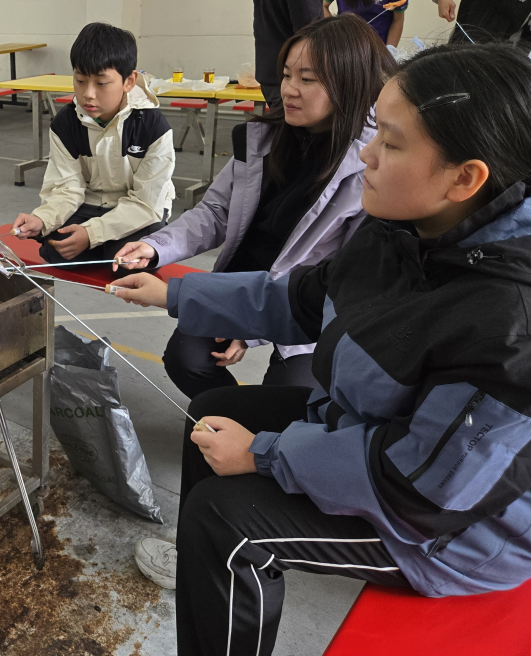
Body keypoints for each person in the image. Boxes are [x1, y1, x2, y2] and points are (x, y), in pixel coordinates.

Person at [117, 42, 531, 656]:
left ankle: (217, 572)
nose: (366, 153)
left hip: (452, 531)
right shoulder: (400, 229)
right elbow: (301, 298)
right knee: (212, 413)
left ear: (464, 178)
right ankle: (200, 573)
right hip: (368, 432)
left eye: (391, 143)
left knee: (225, 521)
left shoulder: (509, 320)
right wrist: (174, 294)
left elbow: (421, 488)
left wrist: (263, 454)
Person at [115, 15, 395, 398]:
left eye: (307, 79)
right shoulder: (263, 138)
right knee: (188, 359)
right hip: (240, 282)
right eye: (286, 75)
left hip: (307, 303)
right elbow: (216, 211)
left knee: (292, 400)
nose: (289, 90)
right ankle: (227, 414)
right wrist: (156, 247)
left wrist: (252, 327)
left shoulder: (367, 166)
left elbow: (337, 283)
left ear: (350, 82)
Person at [11, 22, 175, 267]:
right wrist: (42, 219)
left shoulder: (153, 127)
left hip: (139, 210)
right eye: (80, 80)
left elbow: (146, 203)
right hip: (89, 204)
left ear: (129, 81)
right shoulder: (65, 124)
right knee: (55, 249)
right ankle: (103, 247)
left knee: (132, 262)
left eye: (101, 83)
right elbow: (67, 188)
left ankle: (106, 247)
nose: (88, 93)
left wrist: (91, 234)